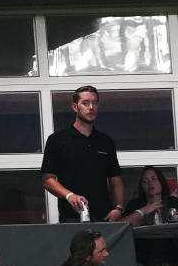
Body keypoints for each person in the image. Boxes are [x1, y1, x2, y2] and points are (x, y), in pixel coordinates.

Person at [41, 85, 125, 223]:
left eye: (95, 103)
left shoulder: (105, 141)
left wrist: (119, 208)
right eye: (85, 103)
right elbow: (47, 180)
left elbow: (115, 179)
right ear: (75, 107)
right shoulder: (57, 140)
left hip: (105, 217)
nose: (91, 107)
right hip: (71, 218)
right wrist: (70, 196)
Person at [120, 166, 178, 266]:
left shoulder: (174, 202)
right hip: (146, 260)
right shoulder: (136, 204)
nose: (150, 183)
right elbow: (121, 226)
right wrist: (143, 211)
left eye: (154, 179)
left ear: (161, 182)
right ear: (141, 186)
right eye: (145, 181)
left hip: (174, 258)